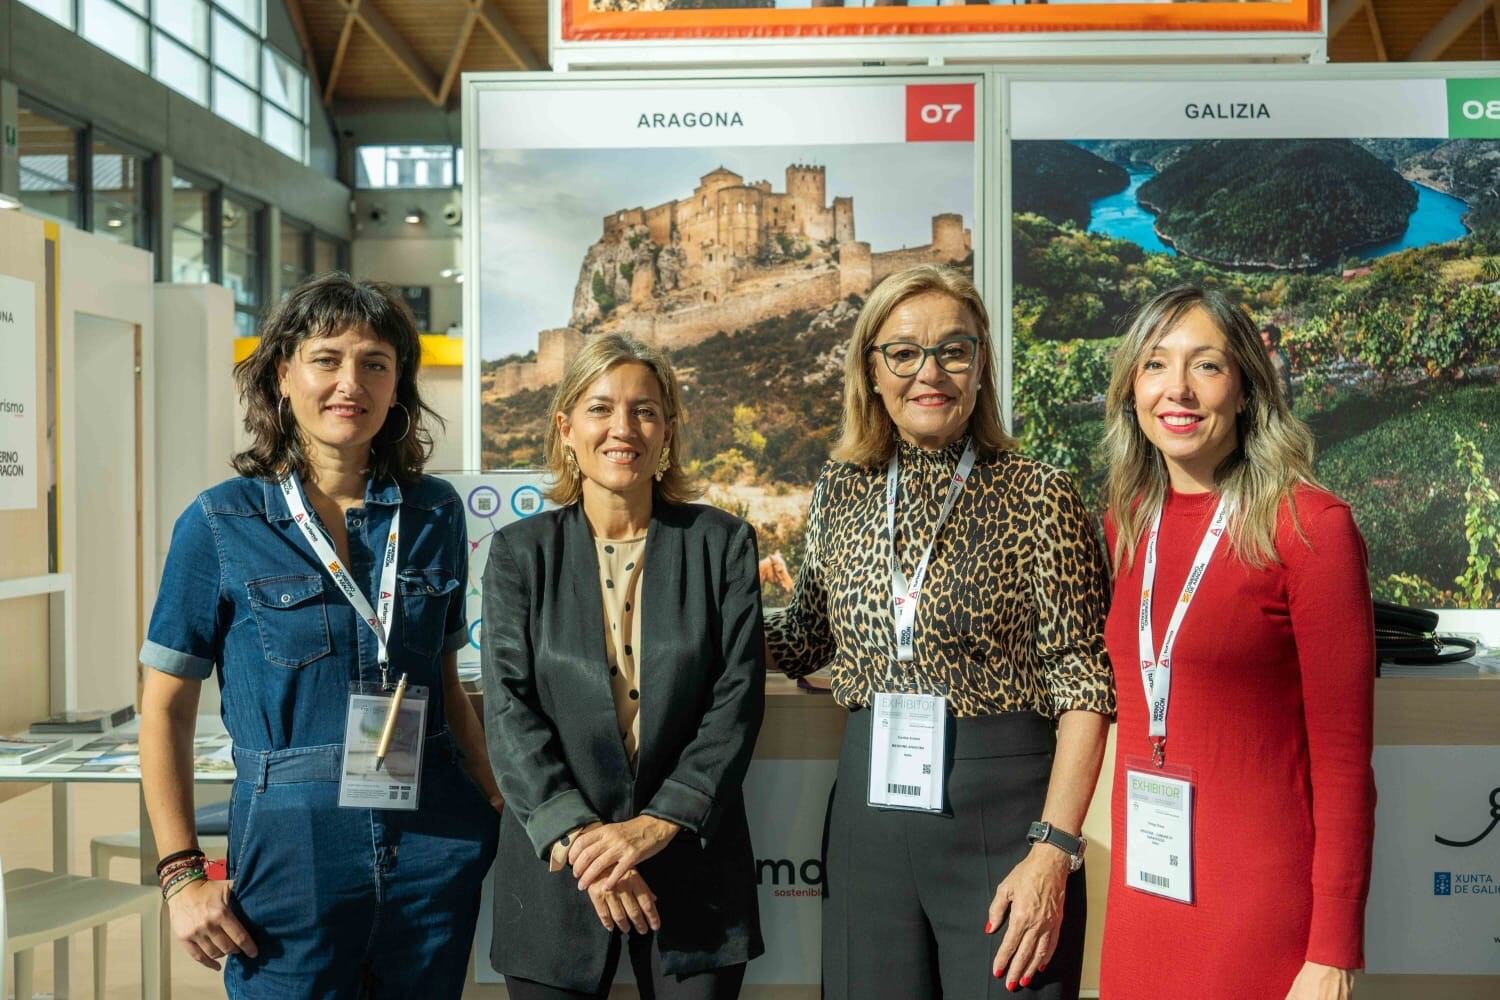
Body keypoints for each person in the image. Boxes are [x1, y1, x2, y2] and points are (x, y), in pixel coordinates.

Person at [138, 273, 501, 998]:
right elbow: (164, 709)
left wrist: (493, 804)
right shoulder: (221, 522)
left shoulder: (433, 513)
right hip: (291, 846)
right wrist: (182, 872)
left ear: (398, 384)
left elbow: (446, 678)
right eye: (327, 358)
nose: (350, 383)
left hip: (433, 836)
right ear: (283, 373)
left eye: (375, 363)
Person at [766, 264, 1114, 999]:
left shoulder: (1039, 491)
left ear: (982, 364)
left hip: (1006, 819)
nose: (930, 373)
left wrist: (1053, 850)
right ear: (872, 369)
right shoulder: (843, 488)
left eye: (953, 351)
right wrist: (699, 593)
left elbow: (1086, 683)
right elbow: (804, 639)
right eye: (904, 352)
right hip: (870, 815)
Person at [1098, 286, 1375, 1000]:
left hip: (1256, 907)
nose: (1177, 390)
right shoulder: (1125, 526)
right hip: (1144, 897)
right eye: (1155, 365)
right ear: (1132, 388)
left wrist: (1334, 951)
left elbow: (1344, 764)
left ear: (1247, 387)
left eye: (1207, 366)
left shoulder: (1309, 527)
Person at [481, 333, 766, 999]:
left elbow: (737, 702)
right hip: (560, 880)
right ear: (567, 428)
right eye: (601, 408)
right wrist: (588, 846)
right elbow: (508, 712)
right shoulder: (520, 555)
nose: (623, 428)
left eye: (644, 411)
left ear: (667, 432)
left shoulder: (720, 546)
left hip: (692, 879)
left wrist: (651, 828)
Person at [1260, 321, 1295, 406]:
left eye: (1264, 341)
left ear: (1274, 342)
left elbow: (1283, 391)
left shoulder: (1278, 363)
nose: (1260, 344)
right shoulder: (1267, 358)